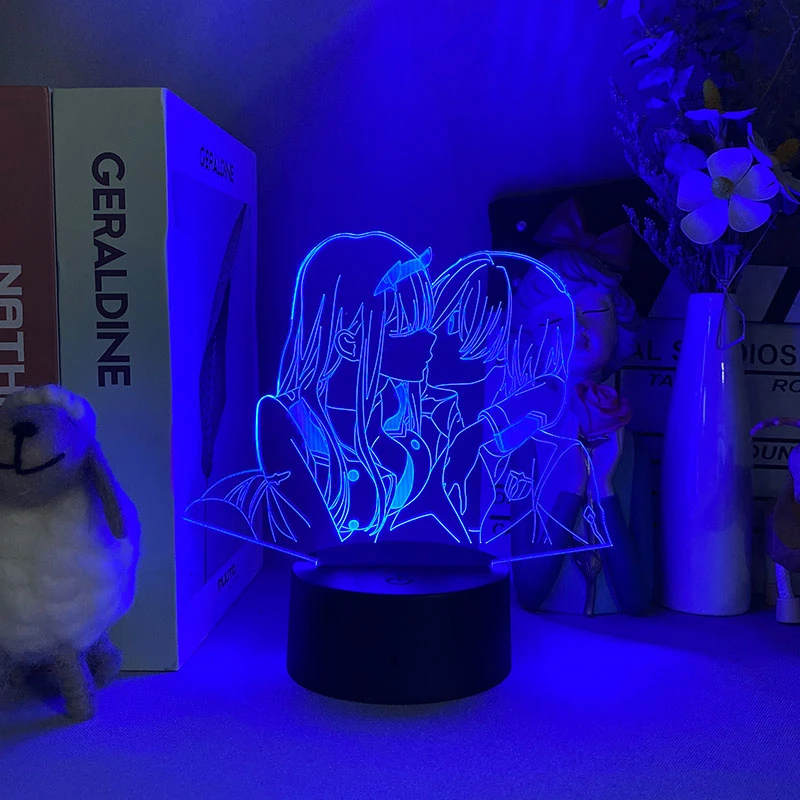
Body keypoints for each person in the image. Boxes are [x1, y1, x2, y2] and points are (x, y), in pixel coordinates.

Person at [508, 199, 654, 616]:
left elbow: (637, 599)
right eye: (554, 320)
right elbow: (529, 591)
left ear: (619, 324)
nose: (577, 328)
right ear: (531, 338)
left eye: (592, 310)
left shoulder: (631, 448)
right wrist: (573, 485)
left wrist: (603, 485)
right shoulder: (526, 447)